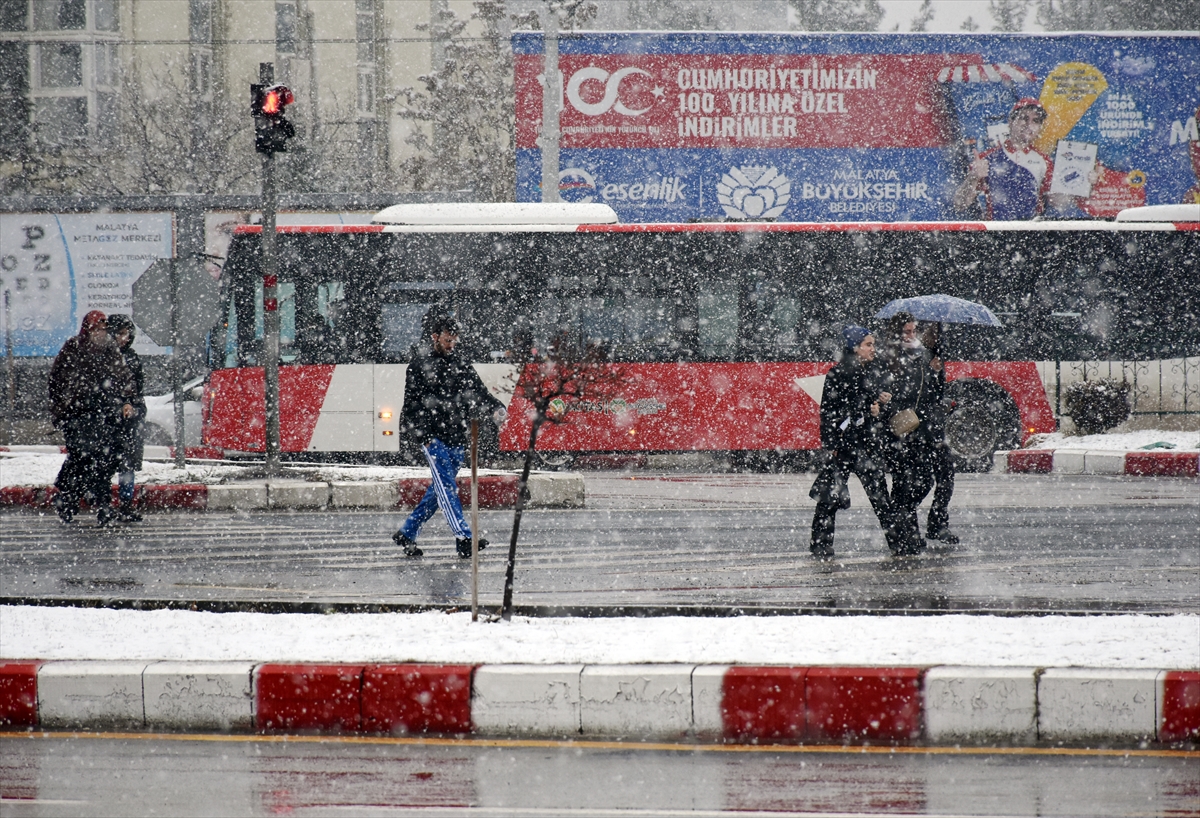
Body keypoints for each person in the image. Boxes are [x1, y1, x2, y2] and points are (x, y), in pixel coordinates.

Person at [392, 310, 507, 558]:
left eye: (455, 341)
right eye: (448, 340)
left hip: (457, 435)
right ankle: (464, 537)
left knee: (439, 490)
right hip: (433, 437)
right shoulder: (419, 365)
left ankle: (407, 532)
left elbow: (478, 392)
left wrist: (497, 407)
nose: (452, 345)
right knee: (447, 487)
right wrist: (424, 436)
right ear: (435, 336)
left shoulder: (461, 363)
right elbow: (411, 405)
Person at [810, 325, 902, 558]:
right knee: (835, 497)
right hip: (846, 444)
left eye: (873, 344)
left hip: (863, 443)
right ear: (855, 347)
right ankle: (897, 544)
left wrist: (881, 402)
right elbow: (830, 412)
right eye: (868, 344)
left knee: (877, 496)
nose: (873, 348)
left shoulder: (870, 370)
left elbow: (871, 405)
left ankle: (822, 545)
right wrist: (832, 444)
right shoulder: (840, 373)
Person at [49, 310, 136, 525]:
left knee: (104, 460)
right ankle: (68, 499)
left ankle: (102, 504)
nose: (100, 333)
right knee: (80, 459)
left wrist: (126, 399)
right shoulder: (74, 347)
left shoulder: (110, 349)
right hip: (77, 415)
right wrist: (63, 406)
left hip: (103, 414)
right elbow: (57, 379)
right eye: (96, 329)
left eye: (103, 329)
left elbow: (123, 376)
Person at [878, 313, 942, 556]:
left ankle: (903, 524)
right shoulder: (887, 358)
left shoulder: (922, 355)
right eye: (905, 331)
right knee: (903, 485)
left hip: (920, 430)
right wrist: (895, 408)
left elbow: (929, 393)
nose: (910, 335)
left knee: (924, 481)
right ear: (895, 333)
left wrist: (934, 372)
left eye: (913, 330)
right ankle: (907, 537)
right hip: (898, 431)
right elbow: (884, 392)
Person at [953, 98, 1056, 220]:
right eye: (1024, 118)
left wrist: (1078, 186)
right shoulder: (986, 159)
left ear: (1040, 128)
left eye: (1036, 121)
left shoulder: (1045, 162)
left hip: (1031, 233)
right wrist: (973, 177)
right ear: (1011, 121)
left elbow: (1057, 203)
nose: (1029, 125)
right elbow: (960, 204)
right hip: (995, 233)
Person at [920, 323, 958, 544]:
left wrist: (943, 403)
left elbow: (935, 395)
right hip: (920, 431)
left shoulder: (937, 357)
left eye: (937, 332)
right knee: (922, 482)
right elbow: (914, 392)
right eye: (930, 331)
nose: (934, 336)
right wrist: (929, 371)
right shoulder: (915, 357)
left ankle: (938, 523)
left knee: (946, 477)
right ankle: (906, 526)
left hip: (935, 430)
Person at [106, 314, 146, 522]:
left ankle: (126, 504)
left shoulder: (131, 357)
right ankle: (103, 504)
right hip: (109, 423)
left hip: (129, 424)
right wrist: (119, 404)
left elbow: (138, 390)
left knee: (127, 465)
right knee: (105, 463)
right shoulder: (103, 357)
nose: (124, 337)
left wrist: (133, 407)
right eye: (119, 333)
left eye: (126, 333)